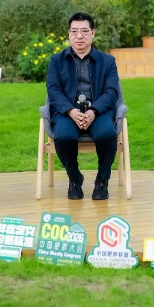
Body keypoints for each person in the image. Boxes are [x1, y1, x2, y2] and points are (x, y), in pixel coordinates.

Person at [46, 12, 119, 200]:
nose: (79, 36)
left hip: (98, 111)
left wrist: (94, 111)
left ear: (93, 33)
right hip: (67, 112)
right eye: (74, 31)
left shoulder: (107, 61)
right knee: (63, 136)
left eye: (85, 31)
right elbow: (53, 91)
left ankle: (102, 180)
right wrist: (71, 111)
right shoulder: (56, 61)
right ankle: (74, 178)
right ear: (69, 34)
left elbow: (111, 91)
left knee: (107, 134)